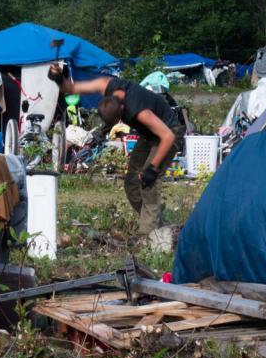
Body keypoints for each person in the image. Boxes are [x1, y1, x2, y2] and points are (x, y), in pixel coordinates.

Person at [49, 64, 185, 236]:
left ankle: (149, 237)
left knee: (147, 183)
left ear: (122, 109)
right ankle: (158, 224)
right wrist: (59, 78)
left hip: (170, 131)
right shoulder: (105, 84)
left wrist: (153, 168)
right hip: (151, 133)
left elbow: (167, 136)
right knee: (131, 183)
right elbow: (71, 88)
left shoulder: (139, 111)